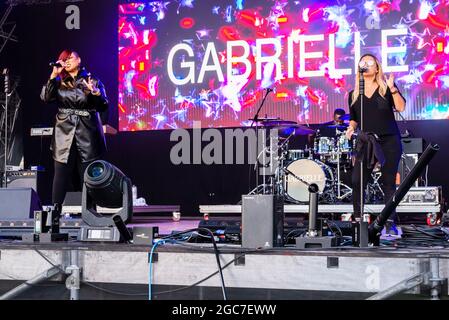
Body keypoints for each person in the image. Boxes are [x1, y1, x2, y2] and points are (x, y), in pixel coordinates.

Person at [40, 49, 109, 209]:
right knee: (61, 172)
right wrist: (53, 75)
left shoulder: (92, 80)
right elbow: (45, 97)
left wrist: (96, 93)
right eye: (64, 59)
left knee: (88, 174)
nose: (67, 61)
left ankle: (90, 211)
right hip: (63, 131)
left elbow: (104, 105)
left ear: (79, 60)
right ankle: (55, 212)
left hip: (87, 131)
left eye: (70, 58)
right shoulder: (58, 82)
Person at [346, 53, 406, 234]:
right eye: (362, 62)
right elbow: (354, 119)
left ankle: (389, 223)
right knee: (357, 181)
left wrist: (393, 89)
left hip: (389, 139)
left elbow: (401, 107)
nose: (365, 64)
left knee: (389, 182)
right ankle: (358, 222)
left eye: (369, 62)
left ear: (377, 68)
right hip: (366, 141)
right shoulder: (354, 94)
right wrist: (350, 128)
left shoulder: (386, 88)